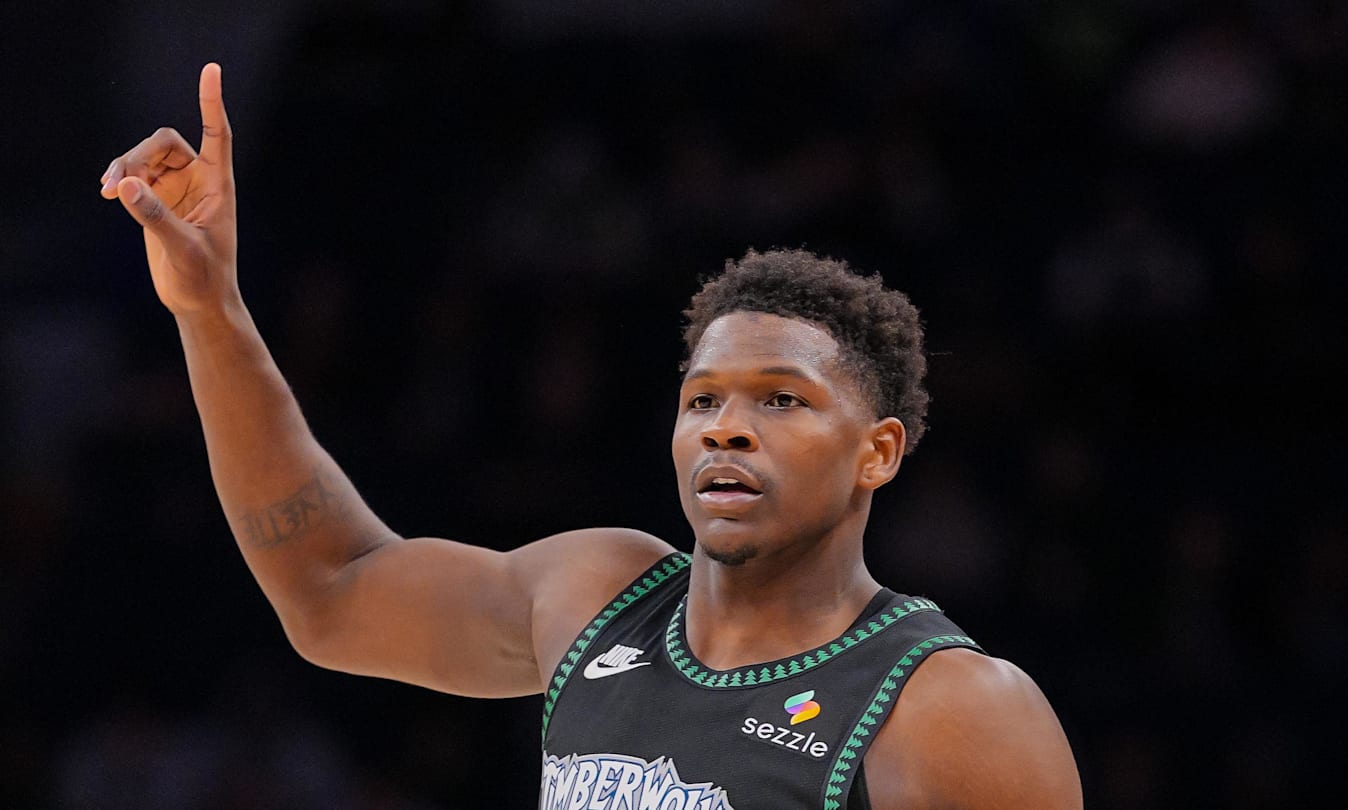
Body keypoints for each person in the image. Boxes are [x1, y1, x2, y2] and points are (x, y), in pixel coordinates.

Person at [101, 64, 1082, 809]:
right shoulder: (596, 595)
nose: (728, 430)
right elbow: (330, 587)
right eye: (703, 401)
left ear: (878, 451)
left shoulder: (953, 708)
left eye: (781, 401)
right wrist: (211, 311)